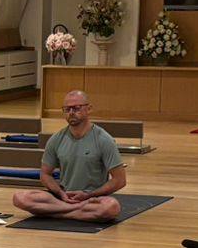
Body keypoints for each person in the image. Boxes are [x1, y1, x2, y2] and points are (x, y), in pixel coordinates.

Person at [11, 90, 126, 222]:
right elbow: (45, 174)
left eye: (76, 108)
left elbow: (120, 180)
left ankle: (55, 212)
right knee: (20, 198)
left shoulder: (104, 140)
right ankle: (75, 212)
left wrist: (89, 195)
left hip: (92, 199)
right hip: (63, 196)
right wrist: (60, 193)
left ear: (88, 109)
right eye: (67, 109)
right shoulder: (56, 139)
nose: (71, 112)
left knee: (111, 207)